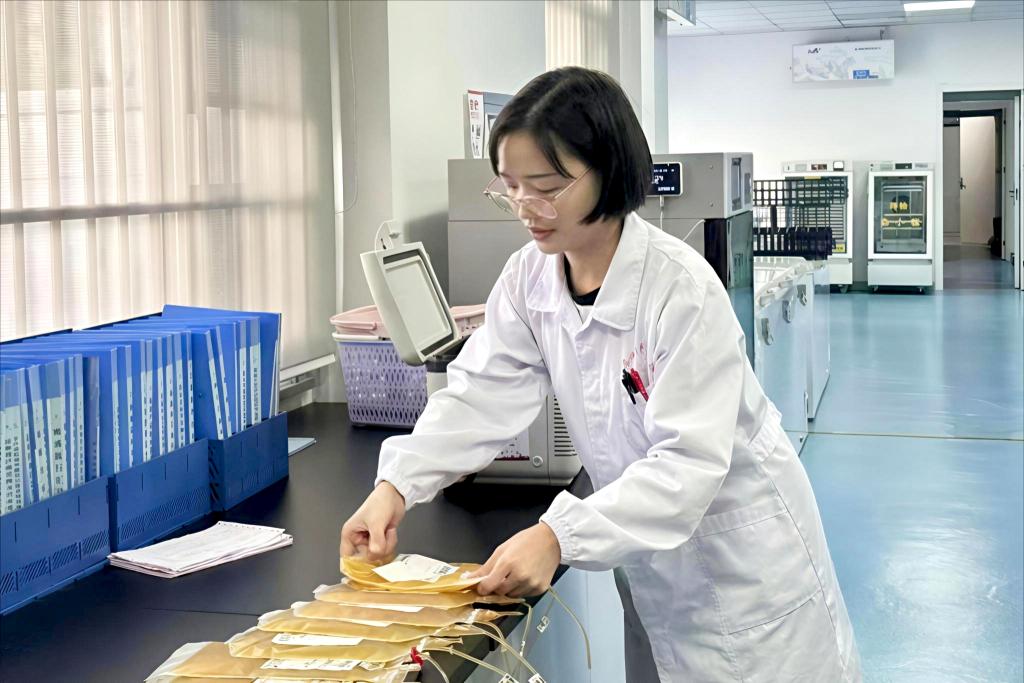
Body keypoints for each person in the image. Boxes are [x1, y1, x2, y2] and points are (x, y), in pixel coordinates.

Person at [341, 67, 861, 682]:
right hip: (653, 568)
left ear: (608, 169)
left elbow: (687, 464)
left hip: (743, 569)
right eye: (510, 188)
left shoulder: (680, 291)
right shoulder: (529, 278)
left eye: (545, 187)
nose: (525, 208)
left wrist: (557, 536)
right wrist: (396, 485)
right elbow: (480, 394)